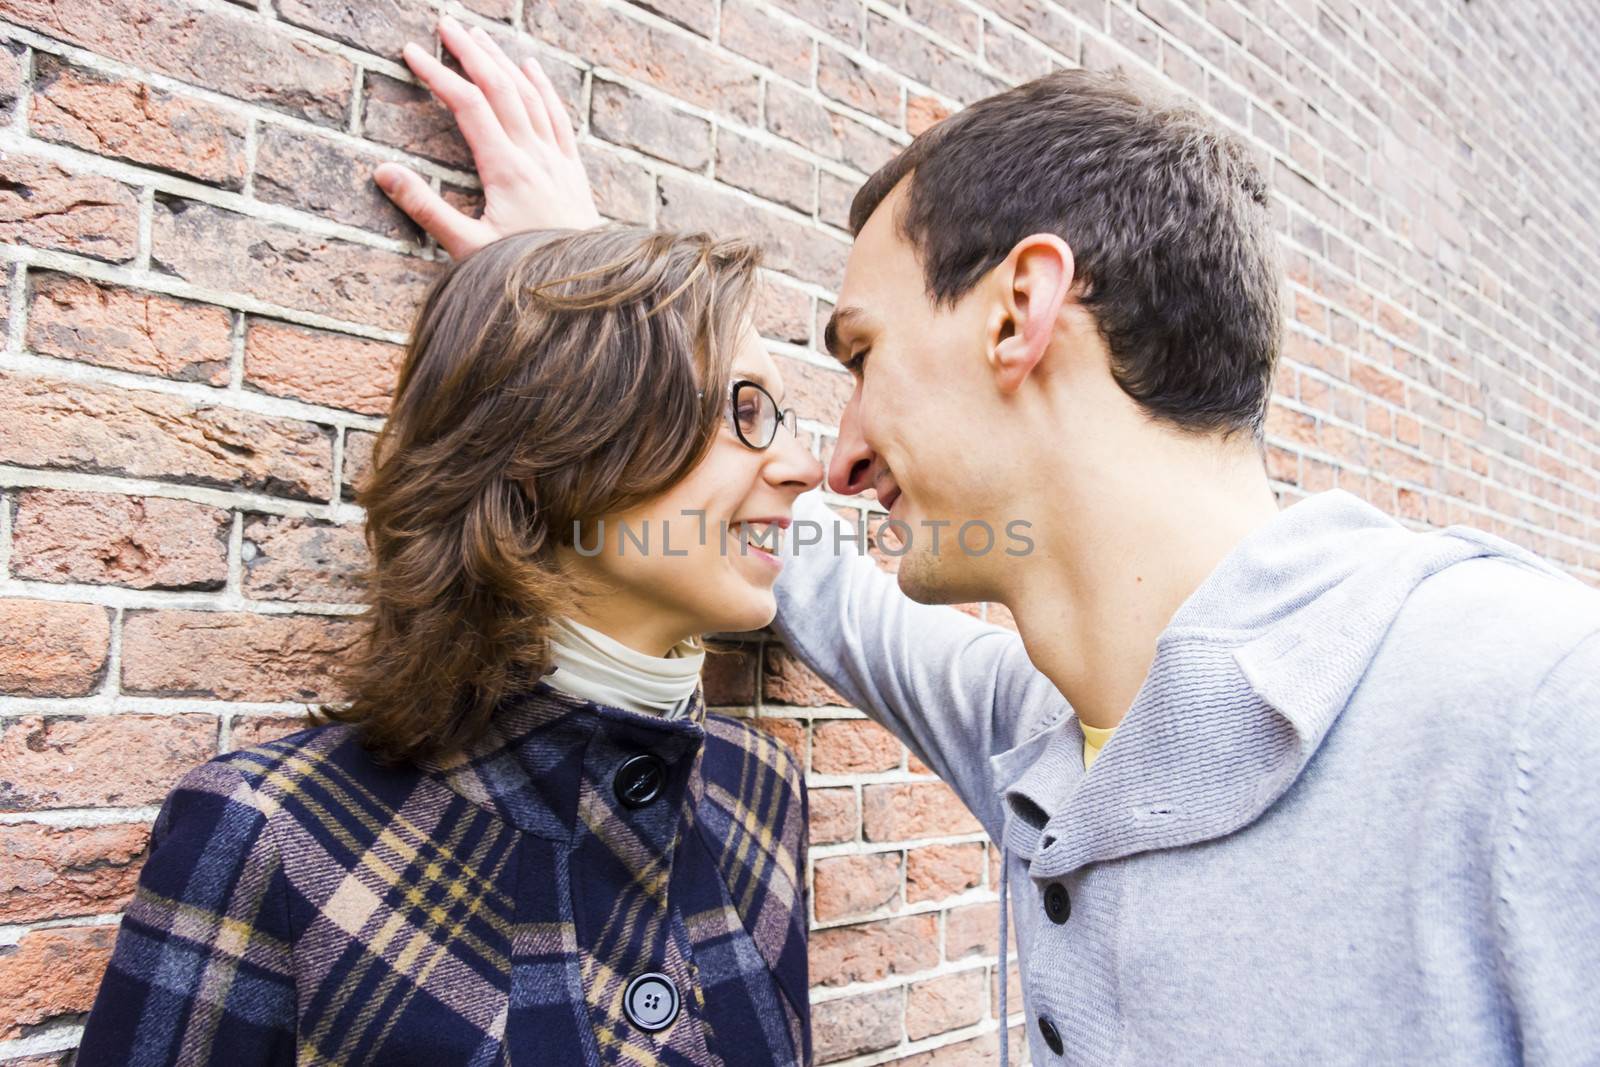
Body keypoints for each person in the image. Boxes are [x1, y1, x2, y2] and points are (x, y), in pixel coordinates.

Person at [389, 14, 1600, 1067]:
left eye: (860, 354)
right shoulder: (1044, 729)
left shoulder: (1538, 707)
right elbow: (808, 570)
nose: (842, 453)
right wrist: (606, 327)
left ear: (1020, 310)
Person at [72, 49, 827, 1060]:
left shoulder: (759, 791)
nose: (805, 463)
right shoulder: (272, 834)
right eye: (746, 410)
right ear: (559, 442)